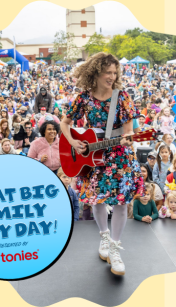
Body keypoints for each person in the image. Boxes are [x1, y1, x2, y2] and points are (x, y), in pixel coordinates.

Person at [60, 52, 143, 276]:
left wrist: (124, 140)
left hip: (119, 157)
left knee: (120, 202)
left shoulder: (122, 96)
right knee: (95, 199)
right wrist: (73, 142)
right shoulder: (83, 99)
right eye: (108, 72)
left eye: (115, 72)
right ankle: (104, 237)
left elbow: (128, 133)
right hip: (92, 158)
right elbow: (64, 123)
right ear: (96, 72)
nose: (112, 76)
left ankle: (115, 247)